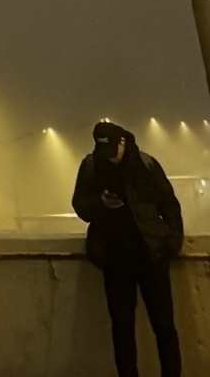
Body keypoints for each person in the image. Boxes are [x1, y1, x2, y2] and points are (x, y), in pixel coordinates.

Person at [72, 120, 183, 377]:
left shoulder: (145, 165)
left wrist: (172, 243)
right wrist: (100, 203)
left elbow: (169, 204)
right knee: (122, 327)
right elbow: (80, 205)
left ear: (122, 143)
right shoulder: (91, 166)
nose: (110, 158)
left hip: (150, 255)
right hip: (115, 259)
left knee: (164, 325)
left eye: (112, 151)